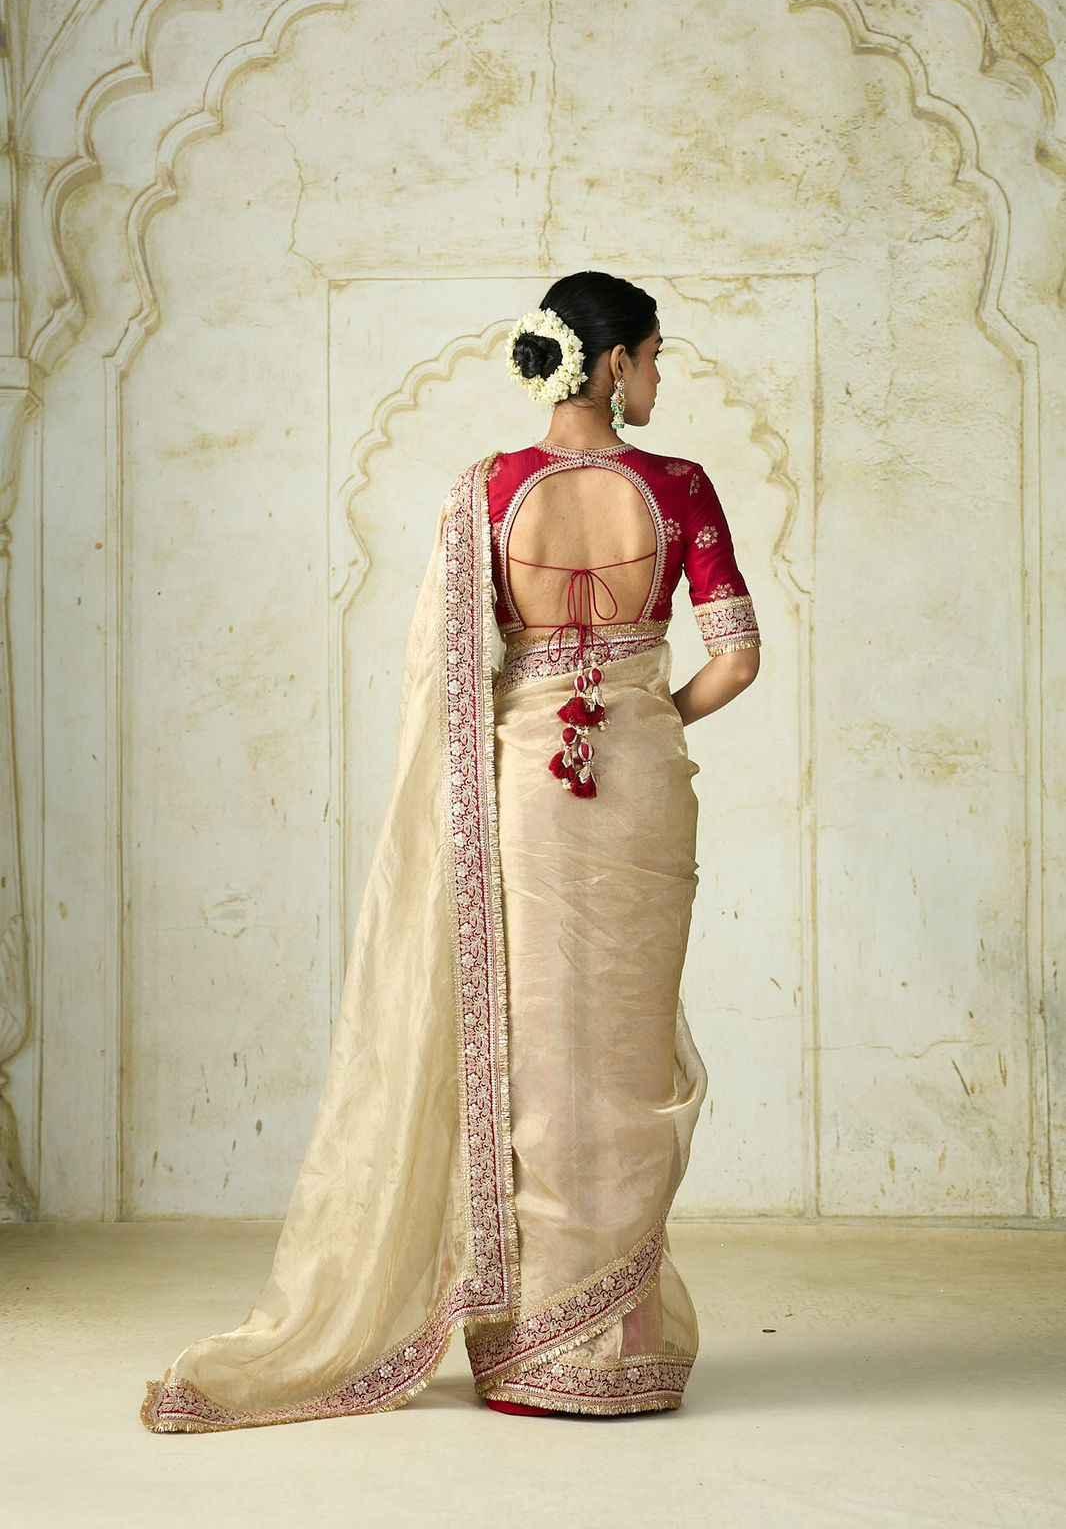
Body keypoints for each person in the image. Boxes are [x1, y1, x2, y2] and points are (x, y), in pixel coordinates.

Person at [140, 271, 761, 1432]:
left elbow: (447, 681)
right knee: (624, 1059)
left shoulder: (486, 490)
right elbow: (736, 658)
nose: (661, 378)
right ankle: (615, 1345)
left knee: (532, 1048)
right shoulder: (680, 489)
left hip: (527, 787)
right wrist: (645, 710)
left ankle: (532, 1343)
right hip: (636, 787)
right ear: (614, 362)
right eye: (656, 357)